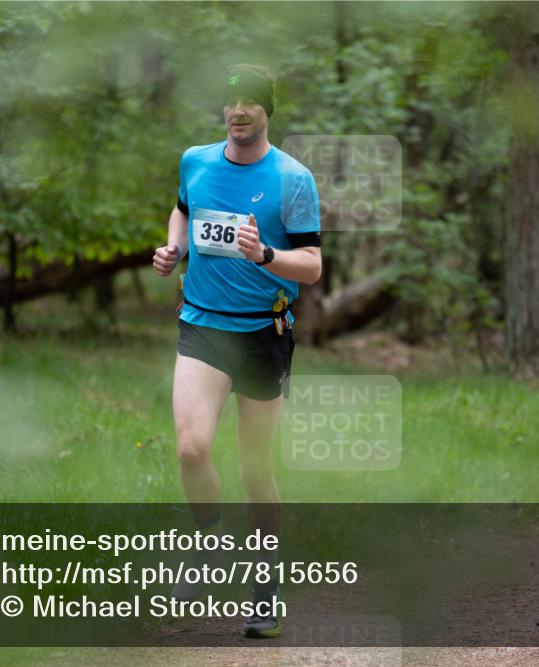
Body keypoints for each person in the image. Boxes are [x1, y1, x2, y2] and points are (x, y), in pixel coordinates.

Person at [152, 63, 322, 638]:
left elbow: (314, 266)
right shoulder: (195, 160)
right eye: (231, 101)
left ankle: (267, 584)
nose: (239, 110)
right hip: (202, 325)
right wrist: (174, 247)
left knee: (255, 470)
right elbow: (183, 206)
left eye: (252, 101)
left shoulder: (293, 179)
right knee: (191, 448)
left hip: (262, 333)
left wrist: (266, 256)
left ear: (267, 110)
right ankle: (205, 546)